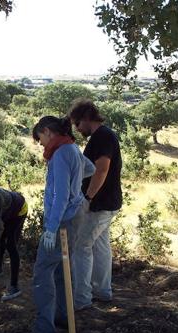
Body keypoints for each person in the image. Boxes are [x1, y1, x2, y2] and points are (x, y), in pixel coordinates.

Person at [31, 116, 95, 333]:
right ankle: (63, 317)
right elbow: (91, 168)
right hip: (75, 216)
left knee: (42, 272)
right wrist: (75, 183)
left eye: (41, 139)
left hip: (61, 221)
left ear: (47, 132)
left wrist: (50, 228)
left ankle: (44, 330)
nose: (41, 145)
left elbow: (60, 197)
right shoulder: (72, 147)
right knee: (60, 268)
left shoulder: (59, 155)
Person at [68, 99, 123, 309]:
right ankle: (103, 291)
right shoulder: (103, 136)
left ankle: (81, 300)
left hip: (99, 204)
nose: (77, 128)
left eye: (77, 123)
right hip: (108, 202)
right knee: (100, 246)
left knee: (82, 247)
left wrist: (88, 198)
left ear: (86, 118)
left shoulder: (102, 136)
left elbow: (101, 169)